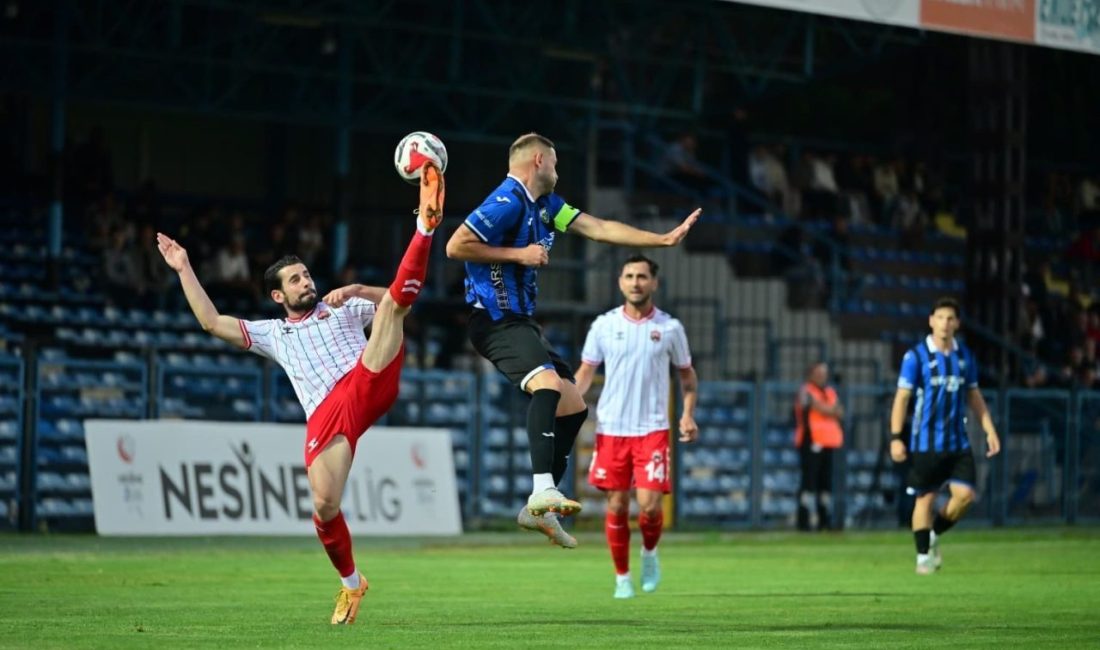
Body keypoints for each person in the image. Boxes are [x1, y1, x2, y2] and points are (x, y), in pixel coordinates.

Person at [156, 161, 446, 624]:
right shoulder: (273, 334)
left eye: (306, 274)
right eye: (295, 280)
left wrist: (358, 288)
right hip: (327, 413)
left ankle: (424, 227)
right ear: (278, 296)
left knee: (392, 307)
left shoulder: (343, 306)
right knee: (324, 506)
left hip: (365, 379)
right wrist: (184, 267)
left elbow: (399, 301)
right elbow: (211, 322)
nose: (306, 281)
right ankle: (352, 584)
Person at [445, 132, 700, 548]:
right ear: (539, 161)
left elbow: (597, 228)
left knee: (574, 406)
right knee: (547, 385)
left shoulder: (547, 207)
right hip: (493, 320)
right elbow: (456, 245)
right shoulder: (507, 200)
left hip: (521, 323)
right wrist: (519, 254)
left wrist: (662, 239)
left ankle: (539, 509)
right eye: (556, 163)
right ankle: (541, 490)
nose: (558, 171)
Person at [573, 254, 698, 598]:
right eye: (629, 276)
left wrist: (688, 414)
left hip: (652, 429)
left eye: (642, 276)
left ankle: (650, 553)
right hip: (612, 428)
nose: (635, 282)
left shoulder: (670, 328)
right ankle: (622, 577)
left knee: (650, 505)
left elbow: (687, 377)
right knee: (616, 505)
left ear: (654, 283)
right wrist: (566, 403)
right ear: (620, 282)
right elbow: (585, 372)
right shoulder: (603, 325)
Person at [889, 297, 1002, 575]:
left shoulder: (964, 357)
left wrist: (989, 429)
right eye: (940, 317)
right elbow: (902, 398)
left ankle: (932, 535)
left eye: (950, 318)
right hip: (926, 443)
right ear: (931, 321)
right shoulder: (916, 357)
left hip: (957, 442)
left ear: (957, 323)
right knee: (925, 499)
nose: (945, 323)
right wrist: (896, 437)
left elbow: (974, 395)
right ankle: (922, 557)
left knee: (965, 496)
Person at [793, 361, 844, 532]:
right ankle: (804, 519)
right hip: (811, 441)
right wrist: (830, 410)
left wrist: (829, 409)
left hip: (829, 442)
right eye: (819, 373)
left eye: (824, 373)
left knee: (825, 483)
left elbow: (839, 411)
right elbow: (822, 408)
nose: (822, 376)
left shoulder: (829, 391)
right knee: (809, 481)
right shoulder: (806, 390)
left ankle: (824, 519)